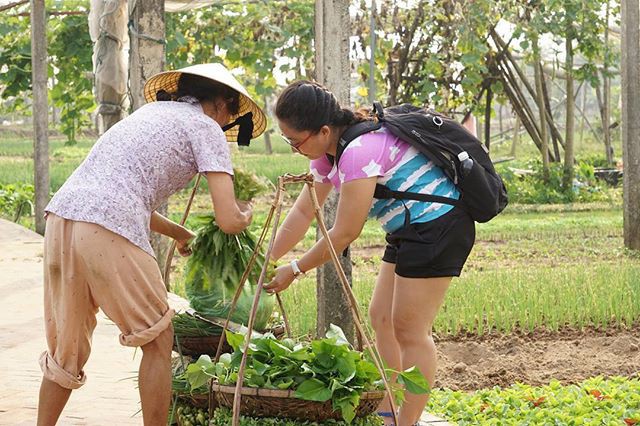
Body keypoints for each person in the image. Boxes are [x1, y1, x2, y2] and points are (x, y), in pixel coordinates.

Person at [36, 63, 266, 426]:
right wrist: (246, 213)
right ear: (223, 104)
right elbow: (228, 219)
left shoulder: (150, 114)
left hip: (62, 219)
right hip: (107, 226)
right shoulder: (205, 126)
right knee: (158, 342)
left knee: (66, 353)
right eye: (230, 116)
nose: (226, 125)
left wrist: (179, 233)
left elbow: (123, 195)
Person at [264, 81, 475, 426]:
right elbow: (304, 213)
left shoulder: (359, 151)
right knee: (381, 317)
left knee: (409, 330)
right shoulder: (327, 153)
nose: (294, 148)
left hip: (439, 226)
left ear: (324, 130)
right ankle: (388, 406)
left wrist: (295, 269)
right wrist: (265, 259)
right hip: (408, 227)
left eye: (295, 141)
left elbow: (346, 231)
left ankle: (406, 420)